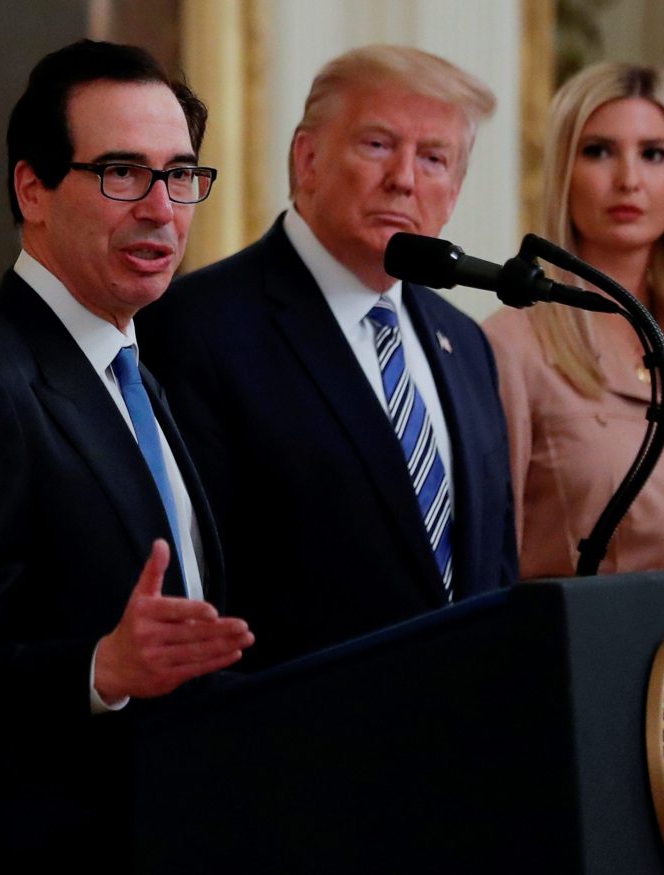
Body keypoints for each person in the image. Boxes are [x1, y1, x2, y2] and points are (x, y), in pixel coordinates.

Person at [0, 40, 254, 871]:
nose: (161, 209)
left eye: (180, 174)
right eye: (122, 172)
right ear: (33, 189)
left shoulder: (134, 373)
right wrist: (100, 666)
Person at [137, 45, 518, 671]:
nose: (405, 178)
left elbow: (494, 568)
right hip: (294, 745)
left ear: (455, 190)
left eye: (434, 158)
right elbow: (197, 588)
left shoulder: (466, 342)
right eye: (376, 145)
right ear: (307, 158)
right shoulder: (195, 327)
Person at [482, 62, 664, 701]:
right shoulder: (513, 347)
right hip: (572, 693)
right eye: (598, 151)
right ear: (563, 171)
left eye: (654, 153)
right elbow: (488, 572)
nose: (629, 179)